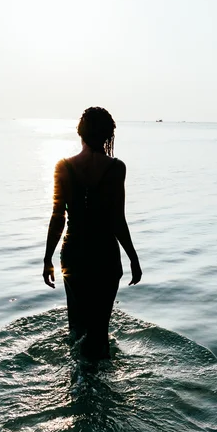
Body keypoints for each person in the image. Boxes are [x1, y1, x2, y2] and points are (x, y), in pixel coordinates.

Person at [43, 107, 142, 359]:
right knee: (100, 331)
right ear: (108, 136)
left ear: (80, 133)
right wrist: (133, 257)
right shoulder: (116, 168)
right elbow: (118, 219)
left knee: (77, 328)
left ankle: (77, 383)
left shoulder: (63, 167)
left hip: (74, 253)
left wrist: (47, 259)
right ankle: (101, 382)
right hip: (105, 255)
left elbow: (58, 217)